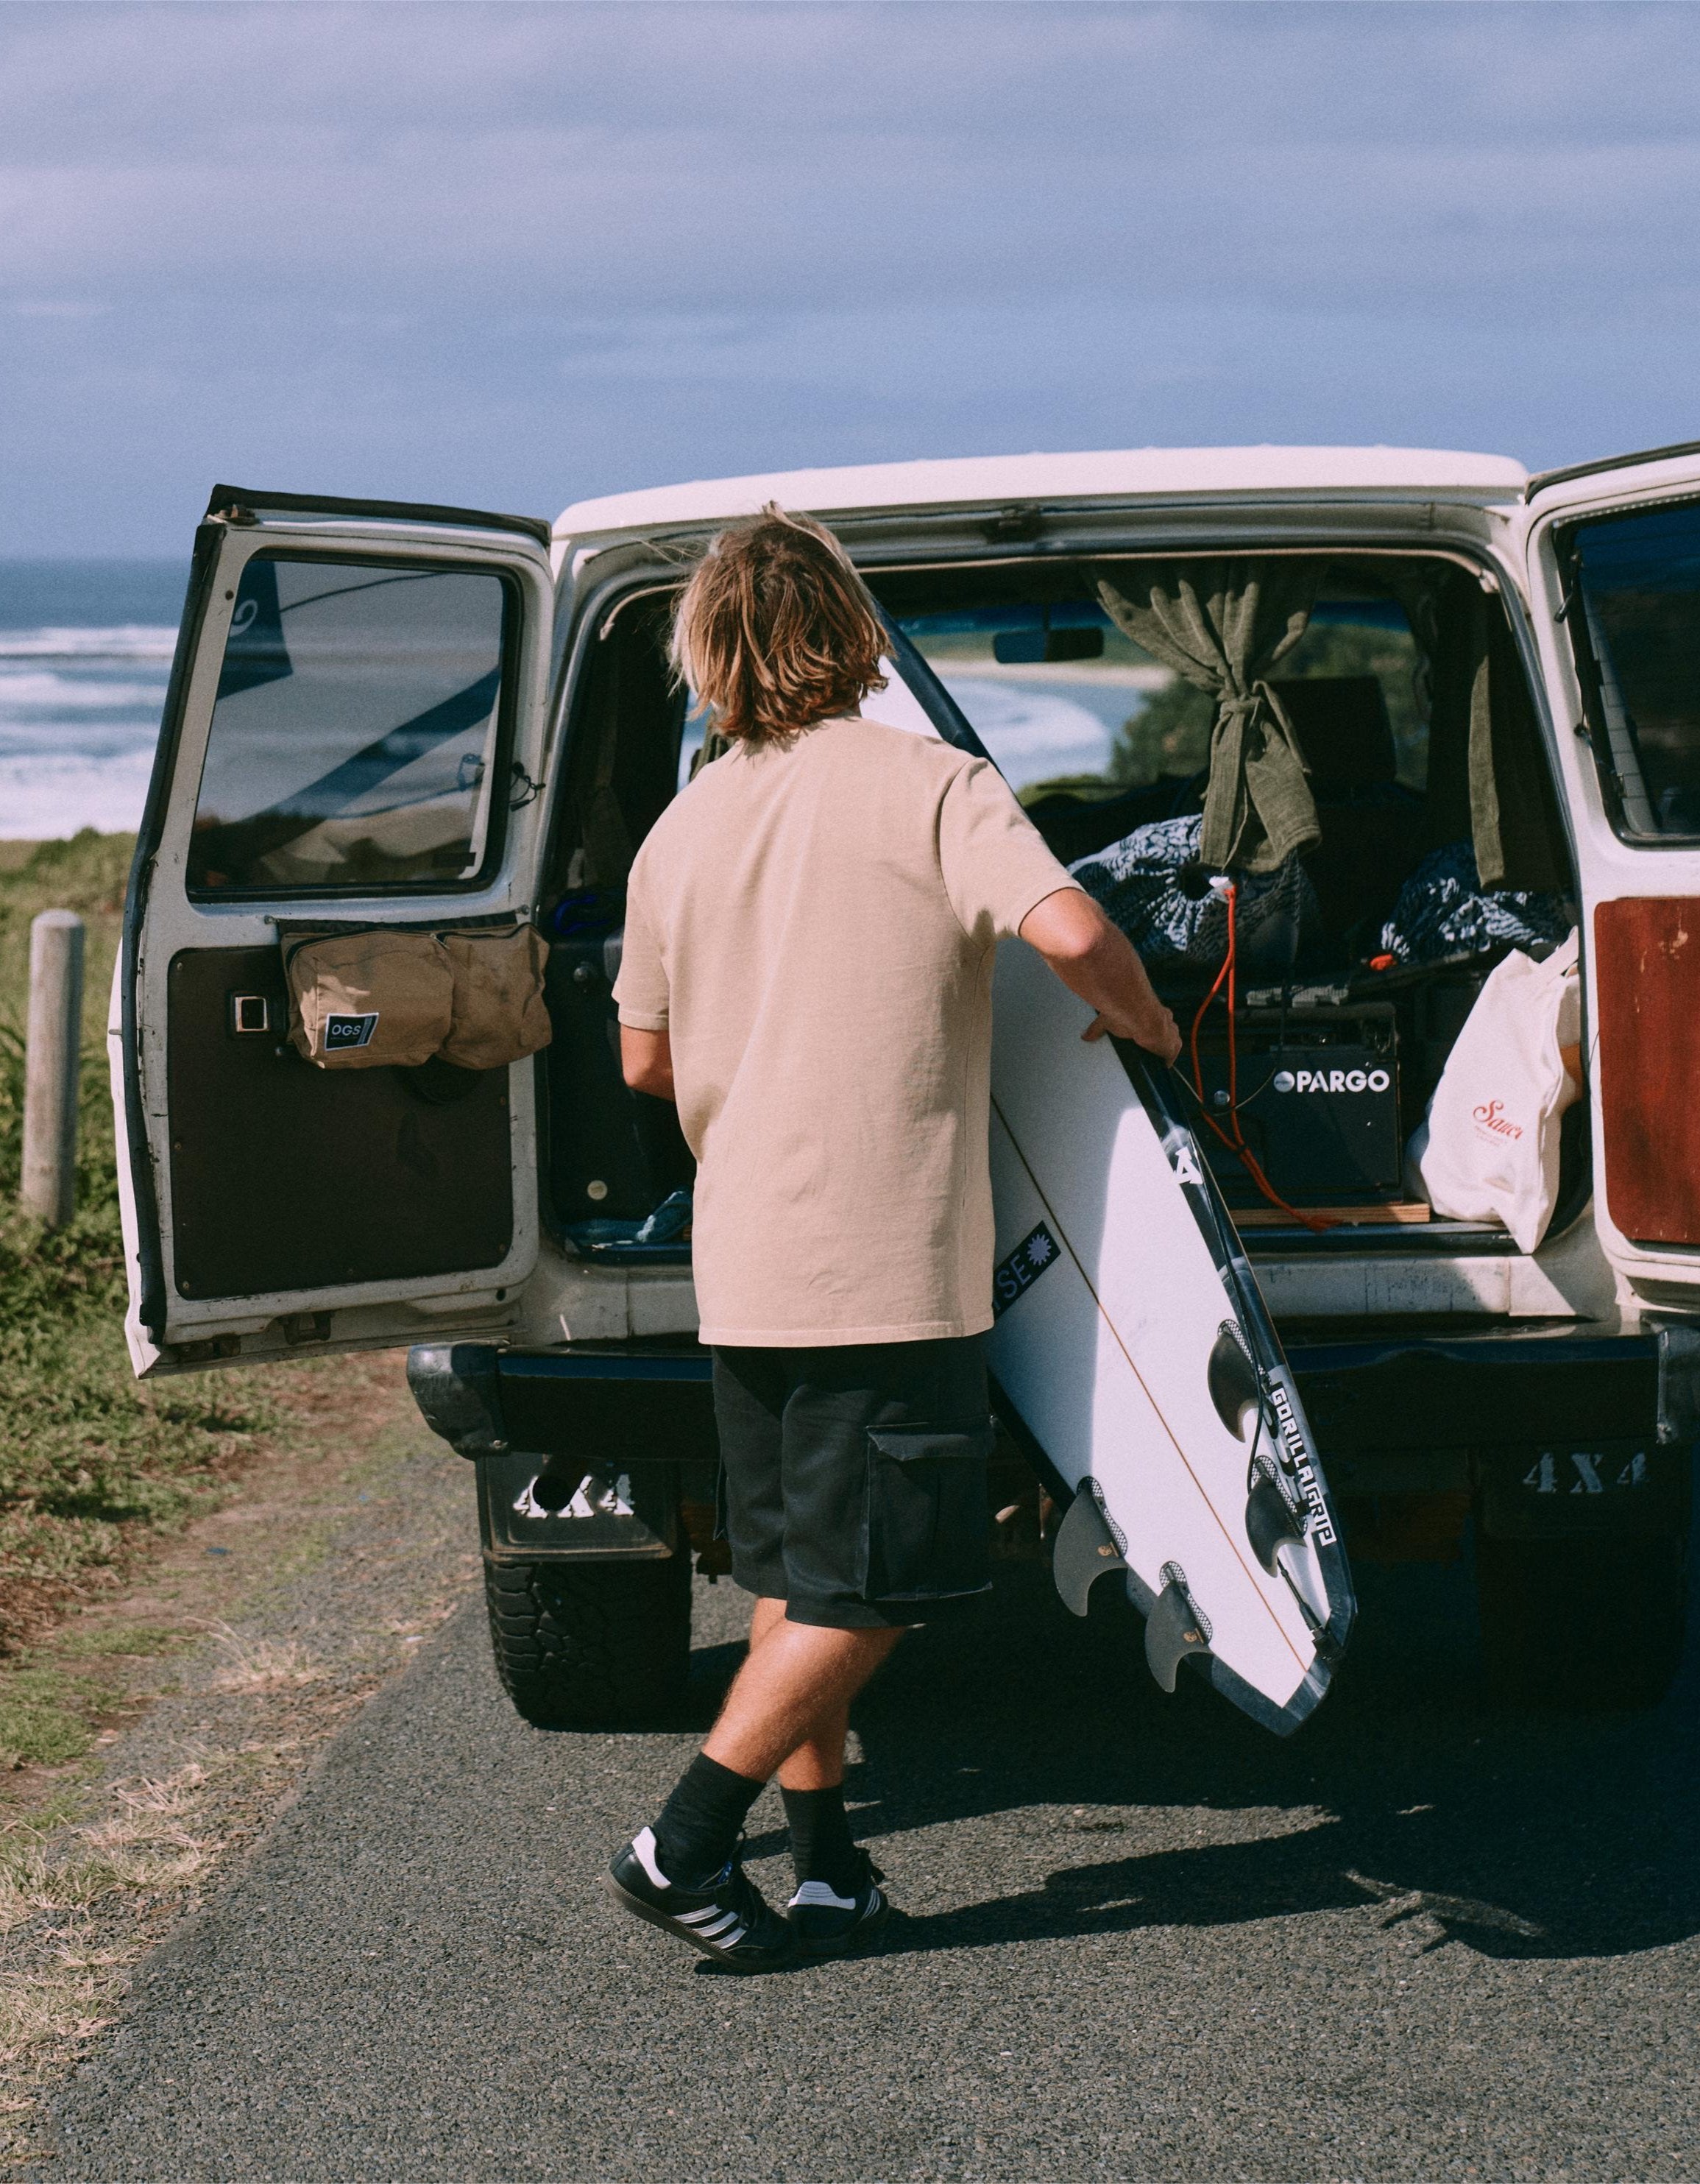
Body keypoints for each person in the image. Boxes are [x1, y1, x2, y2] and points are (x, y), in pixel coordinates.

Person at [606, 506, 1181, 1972]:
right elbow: (1069, 932)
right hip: (885, 1264)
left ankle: (828, 1873)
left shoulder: (680, 830)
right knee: (880, 1590)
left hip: (745, 1263)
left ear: (707, 656)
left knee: (798, 1580)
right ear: (853, 633)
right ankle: (680, 1842)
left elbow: (641, 1062)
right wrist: (1144, 1021)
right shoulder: (934, 787)